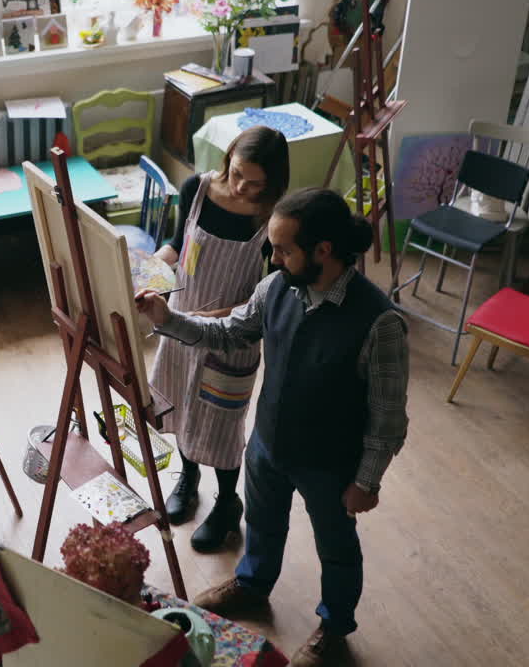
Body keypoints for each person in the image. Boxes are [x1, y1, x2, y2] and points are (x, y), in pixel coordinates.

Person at [136, 188, 409, 667]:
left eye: (283, 248)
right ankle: (253, 585)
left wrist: (367, 481)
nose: (273, 256)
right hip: (267, 444)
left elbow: (388, 417)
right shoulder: (276, 287)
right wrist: (167, 319)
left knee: (336, 548)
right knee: (261, 523)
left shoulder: (380, 322)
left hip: (330, 464)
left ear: (323, 251)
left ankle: (334, 627)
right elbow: (227, 331)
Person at [150, 126, 289, 553]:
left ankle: (228, 502)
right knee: (182, 403)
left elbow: (266, 295)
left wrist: (211, 317)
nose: (243, 187)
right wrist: (150, 269)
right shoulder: (197, 188)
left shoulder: (273, 219)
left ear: (274, 183)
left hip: (232, 336)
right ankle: (188, 479)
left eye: (256, 183)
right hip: (178, 322)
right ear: (228, 157)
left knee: (223, 424)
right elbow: (176, 247)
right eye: (238, 174)